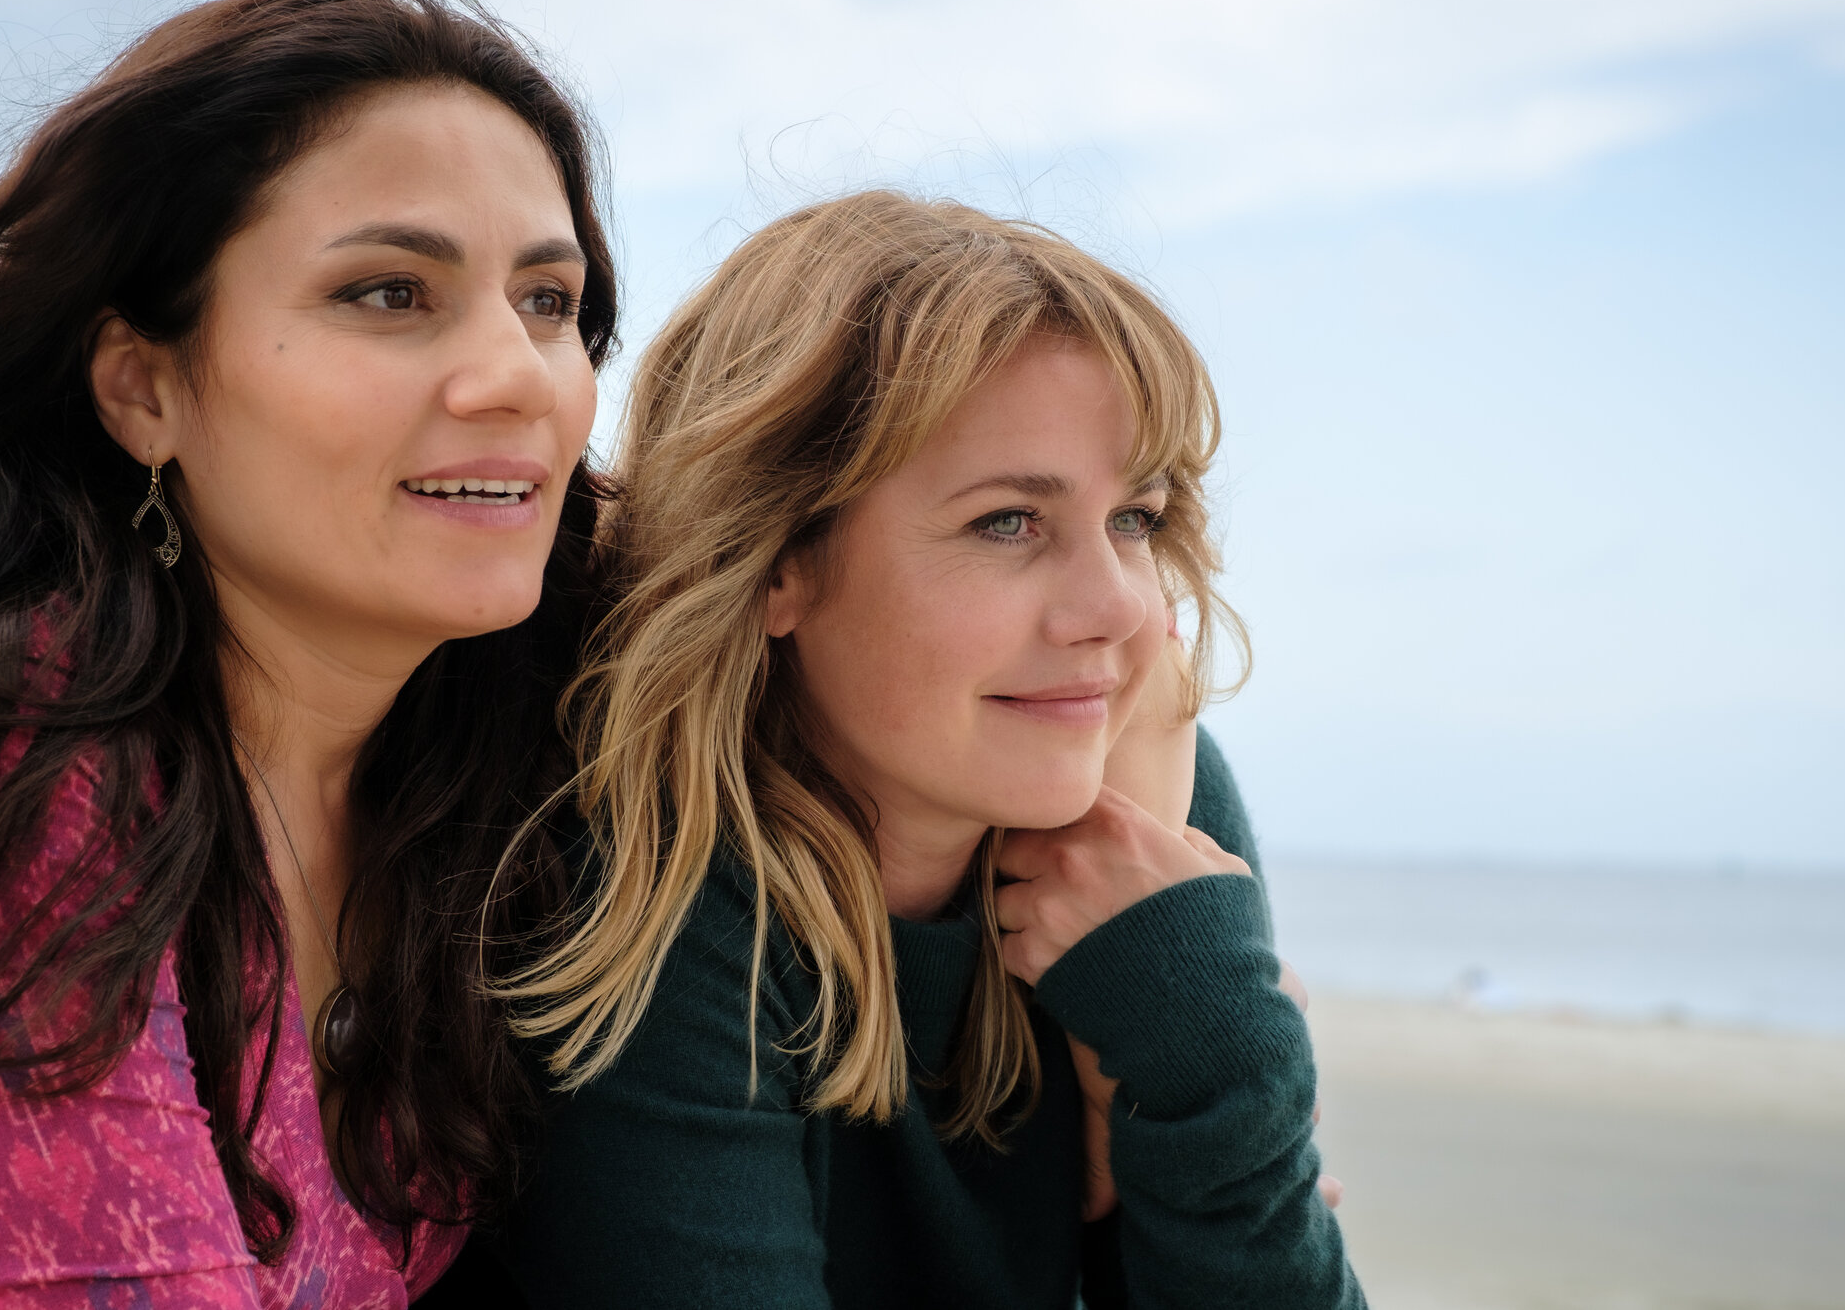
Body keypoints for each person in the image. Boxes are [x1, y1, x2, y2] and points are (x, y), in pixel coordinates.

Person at [0, 0, 614, 1307]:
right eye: (389, 292)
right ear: (144, 386)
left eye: (548, 299)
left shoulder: (493, 753)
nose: (520, 375)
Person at [491, 190, 1364, 1307]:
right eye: (1009, 521)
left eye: (1135, 519)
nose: (1117, 610)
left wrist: (1210, 1050)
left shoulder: (1144, 835)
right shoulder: (651, 898)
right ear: (775, 562)